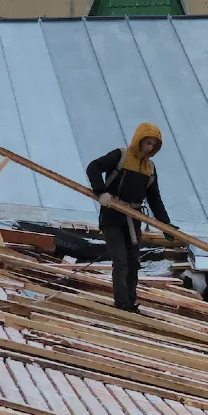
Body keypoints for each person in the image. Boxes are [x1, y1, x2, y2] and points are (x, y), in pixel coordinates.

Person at [86, 122, 175, 313]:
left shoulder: (149, 168)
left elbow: (154, 198)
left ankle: (131, 302)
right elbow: (93, 167)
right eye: (148, 143)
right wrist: (101, 192)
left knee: (133, 262)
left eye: (154, 145)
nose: (150, 148)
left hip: (133, 219)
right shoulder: (121, 156)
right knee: (120, 261)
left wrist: (165, 224)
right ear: (139, 141)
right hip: (112, 216)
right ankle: (121, 304)